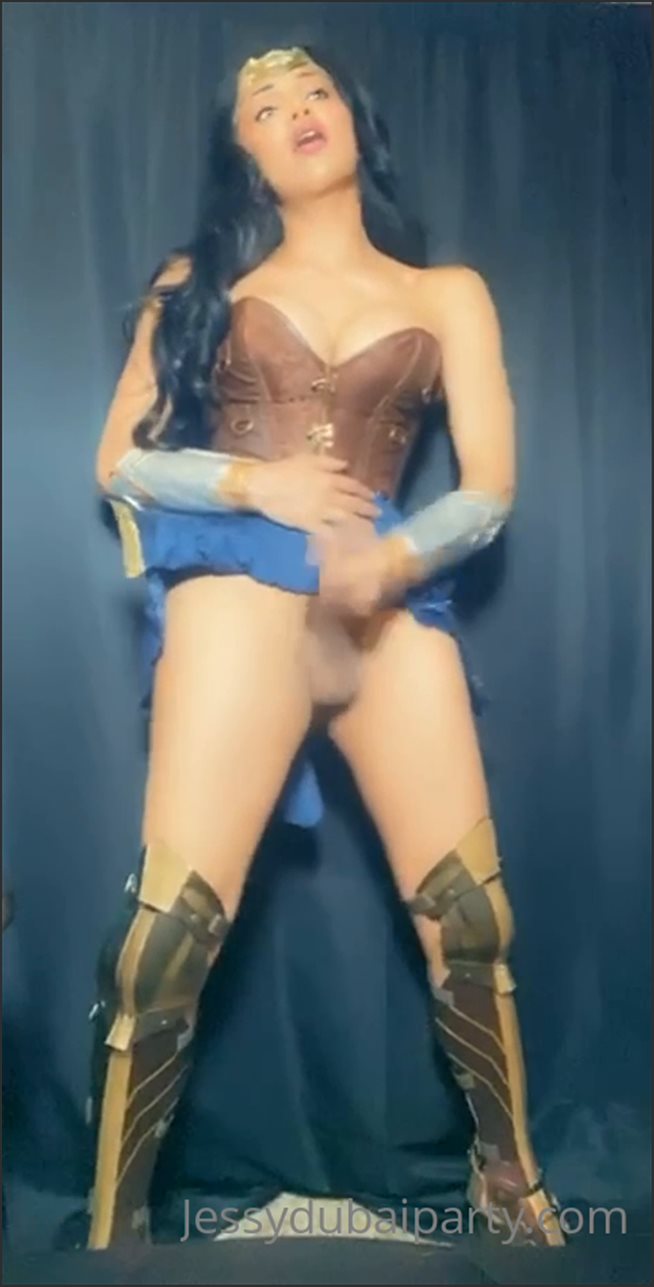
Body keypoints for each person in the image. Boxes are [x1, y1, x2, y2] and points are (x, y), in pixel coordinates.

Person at [84, 45, 564, 1249]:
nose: (297, 110)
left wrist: (390, 565)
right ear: (243, 151)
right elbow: (119, 460)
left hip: (387, 593)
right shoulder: (197, 281)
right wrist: (256, 483)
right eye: (266, 104)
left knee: (473, 921)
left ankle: (514, 1194)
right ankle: (111, 1229)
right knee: (166, 937)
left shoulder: (448, 291)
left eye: (315, 93)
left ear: (354, 121)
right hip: (240, 580)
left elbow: (491, 487)